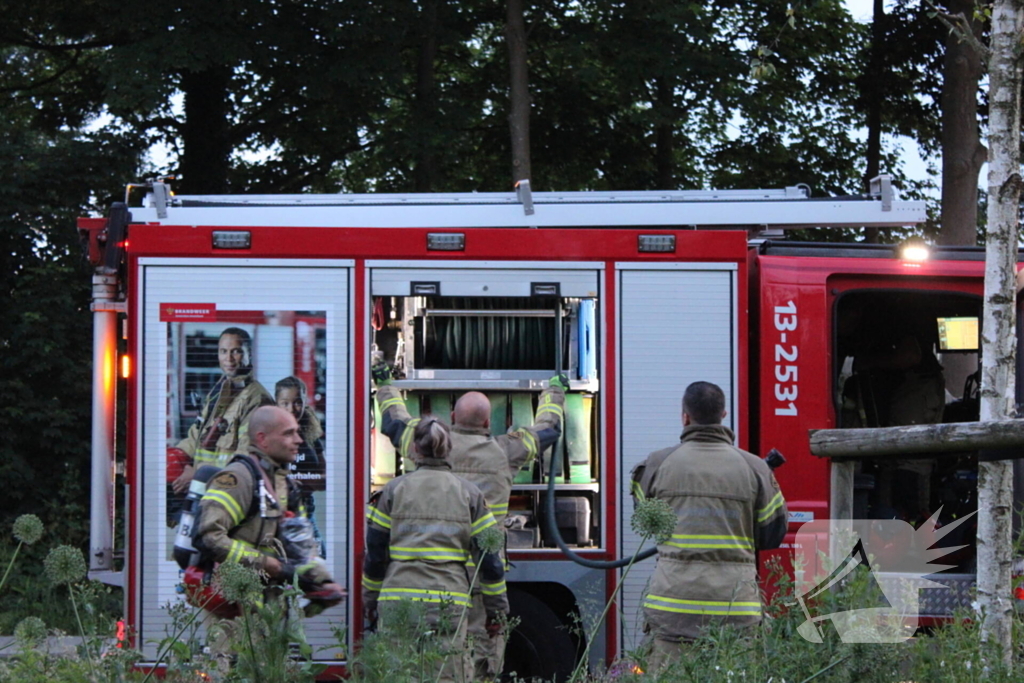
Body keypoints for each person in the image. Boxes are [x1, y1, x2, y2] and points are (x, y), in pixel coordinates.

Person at [373, 361, 565, 680]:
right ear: (488, 421)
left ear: (451, 418)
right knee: (475, 657)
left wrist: (385, 385)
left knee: (415, 659)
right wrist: (554, 391)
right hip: (478, 579)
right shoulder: (505, 450)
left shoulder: (425, 442)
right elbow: (547, 430)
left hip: (418, 574)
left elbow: (394, 422)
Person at [630, 381, 787, 672]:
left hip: (673, 608)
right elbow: (771, 534)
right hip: (735, 609)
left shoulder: (655, 465)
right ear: (723, 415)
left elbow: (646, 523)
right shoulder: (755, 469)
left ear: (685, 417)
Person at [193, 406, 345, 667]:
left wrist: (322, 582)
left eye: (298, 432)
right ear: (262, 439)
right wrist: (266, 564)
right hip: (233, 618)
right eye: (289, 434)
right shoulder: (237, 480)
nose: (299, 440)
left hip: (270, 615)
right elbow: (208, 536)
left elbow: (300, 550)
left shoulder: (284, 484)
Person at [362, 418, 509, 683]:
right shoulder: (470, 495)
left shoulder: (393, 491)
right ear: (449, 449)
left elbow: (374, 553)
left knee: (398, 675)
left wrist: (371, 600)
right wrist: (496, 611)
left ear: (415, 449)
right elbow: (489, 561)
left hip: (398, 599)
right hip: (448, 602)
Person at [169, 327, 275, 521]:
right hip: (205, 490)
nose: (229, 358)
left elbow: (246, 459)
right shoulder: (220, 391)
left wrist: (198, 471)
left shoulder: (257, 400)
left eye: (236, 351)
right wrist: (177, 455)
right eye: (223, 351)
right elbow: (198, 434)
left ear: (248, 354)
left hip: (229, 497)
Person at [275, 376, 327, 556]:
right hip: (278, 516)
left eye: (297, 402)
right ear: (276, 403)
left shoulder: (310, 433)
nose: (292, 409)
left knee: (319, 561)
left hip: (306, 512)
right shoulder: (269, 434)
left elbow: (325, 478)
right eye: (285, 403)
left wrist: (304, 481)